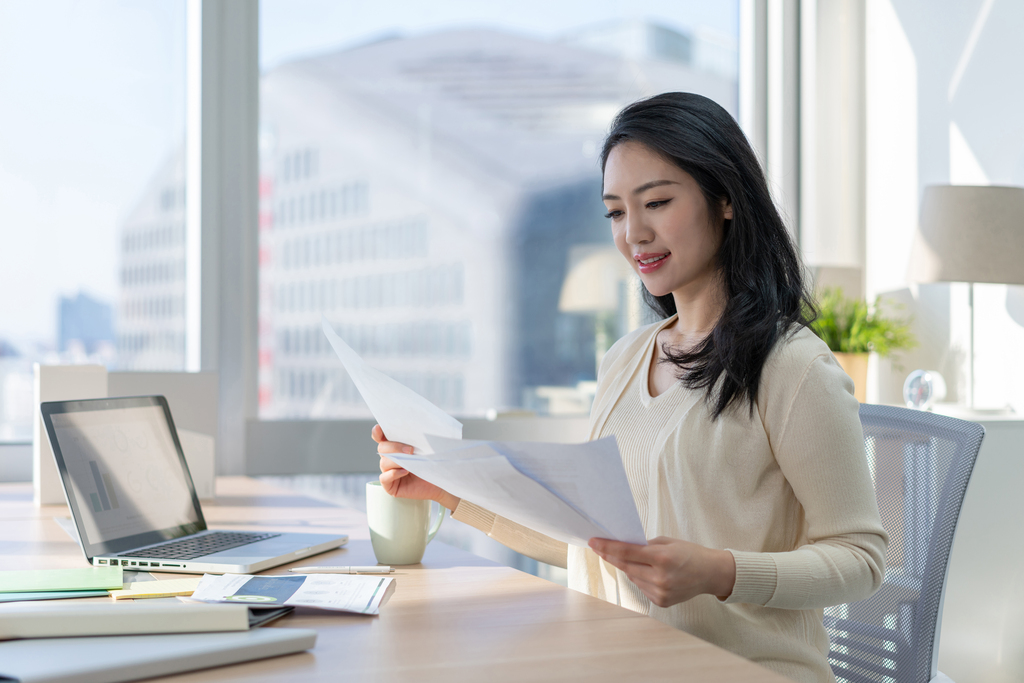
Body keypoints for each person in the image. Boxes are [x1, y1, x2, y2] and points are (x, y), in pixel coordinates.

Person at [373, 92, 887, 683]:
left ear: (725, 198)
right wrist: (449, 491)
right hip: (622, 662)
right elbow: (589, 549)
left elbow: (860, 558)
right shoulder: (624, 360)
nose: (634, 232)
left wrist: (719, 572)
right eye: (616, 212)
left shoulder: (793, 367)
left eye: (658, 202)